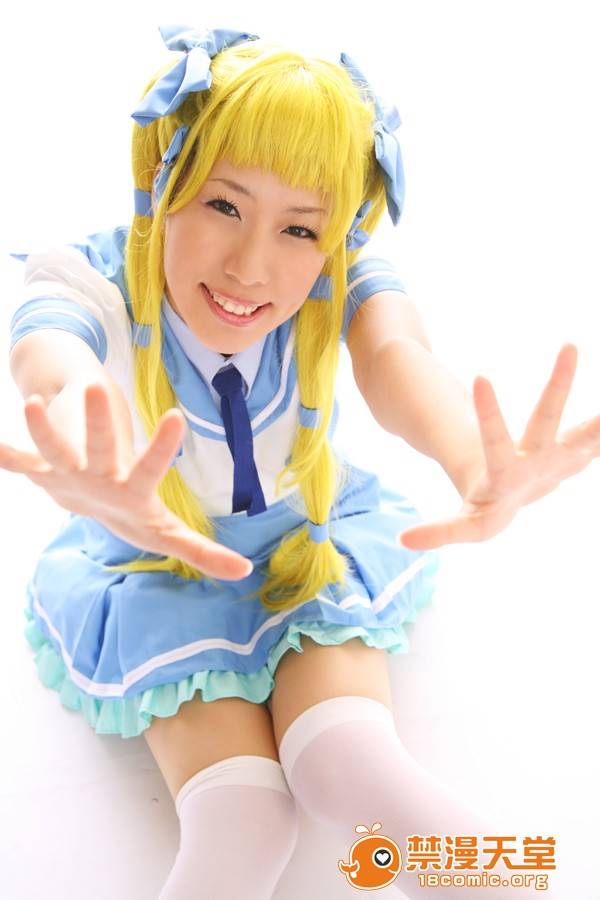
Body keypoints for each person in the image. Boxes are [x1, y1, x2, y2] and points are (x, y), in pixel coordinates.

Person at [3, 23, 584, 899]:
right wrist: (99, 457)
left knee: (351, 765)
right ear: (162, 182)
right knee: (243, 821)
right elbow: (53, 358)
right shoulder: (91, 278)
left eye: (299, 228)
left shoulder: (336, 277)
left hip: (303, 548)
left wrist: (474, 463)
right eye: (223, 206)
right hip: (161, 573)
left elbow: (396, 359)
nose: (252, 266)